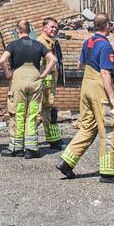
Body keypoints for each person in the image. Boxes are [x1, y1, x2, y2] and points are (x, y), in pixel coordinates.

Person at [56, 13, 114, 184]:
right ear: (107, 25)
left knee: (87, 127)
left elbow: (80, 64)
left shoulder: (88, 42)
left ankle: (67, 161)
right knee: (109, 128)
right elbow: (105, 73)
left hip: (86, 86)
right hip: (99, 88)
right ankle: (109, 172)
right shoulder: (105, 45)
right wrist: (113, 98)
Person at [0, 19, 58, 159]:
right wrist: (43, 75)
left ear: (17, 30)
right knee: (32, 114)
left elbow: (2, 60)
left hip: (18, 81)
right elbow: (53, 60)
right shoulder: (38, 44)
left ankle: (16, 148)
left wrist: (8, 74)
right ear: (30, 30)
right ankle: (31, 149)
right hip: (35, 80)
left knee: (18, 113)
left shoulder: (13, 45)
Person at [35, 17, 65, 149]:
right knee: (37, 113)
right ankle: (27, 140)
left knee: (50, 111)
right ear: (44, 28)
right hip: (42, 84)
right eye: (52, 27)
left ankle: (53, 139)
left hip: (49, 83)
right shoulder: (40, 43)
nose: (54, 29)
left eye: (56, 27)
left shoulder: (52, 42)